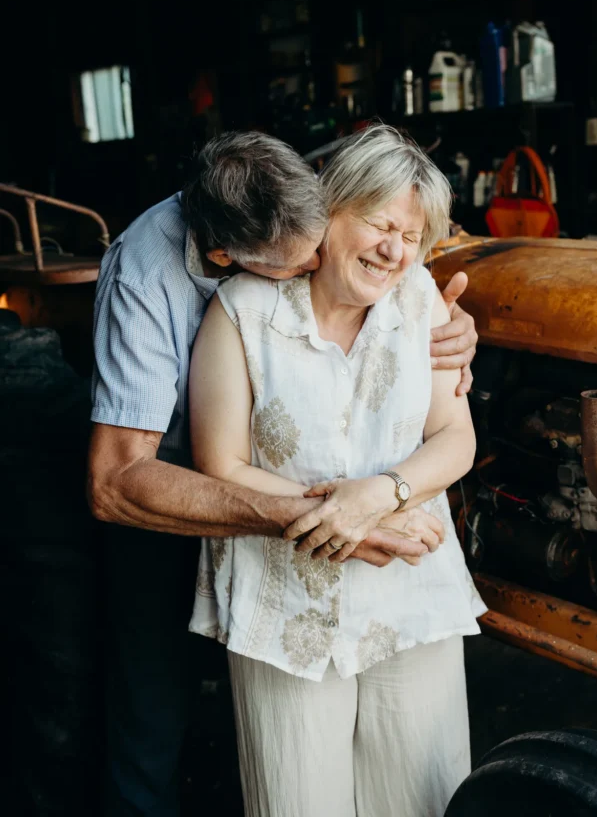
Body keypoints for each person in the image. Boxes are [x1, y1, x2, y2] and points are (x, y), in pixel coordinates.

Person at [88, 130, 478, 817]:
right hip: (202, 528)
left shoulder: (405, 288)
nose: (394, 249)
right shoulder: (196, 290)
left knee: (423, 790)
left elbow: (452, 431)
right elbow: (131, 479)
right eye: (381, 225)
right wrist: (342, 516)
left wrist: (382, 495)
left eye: (411, 236)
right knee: (164, 718)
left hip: (395, 581)